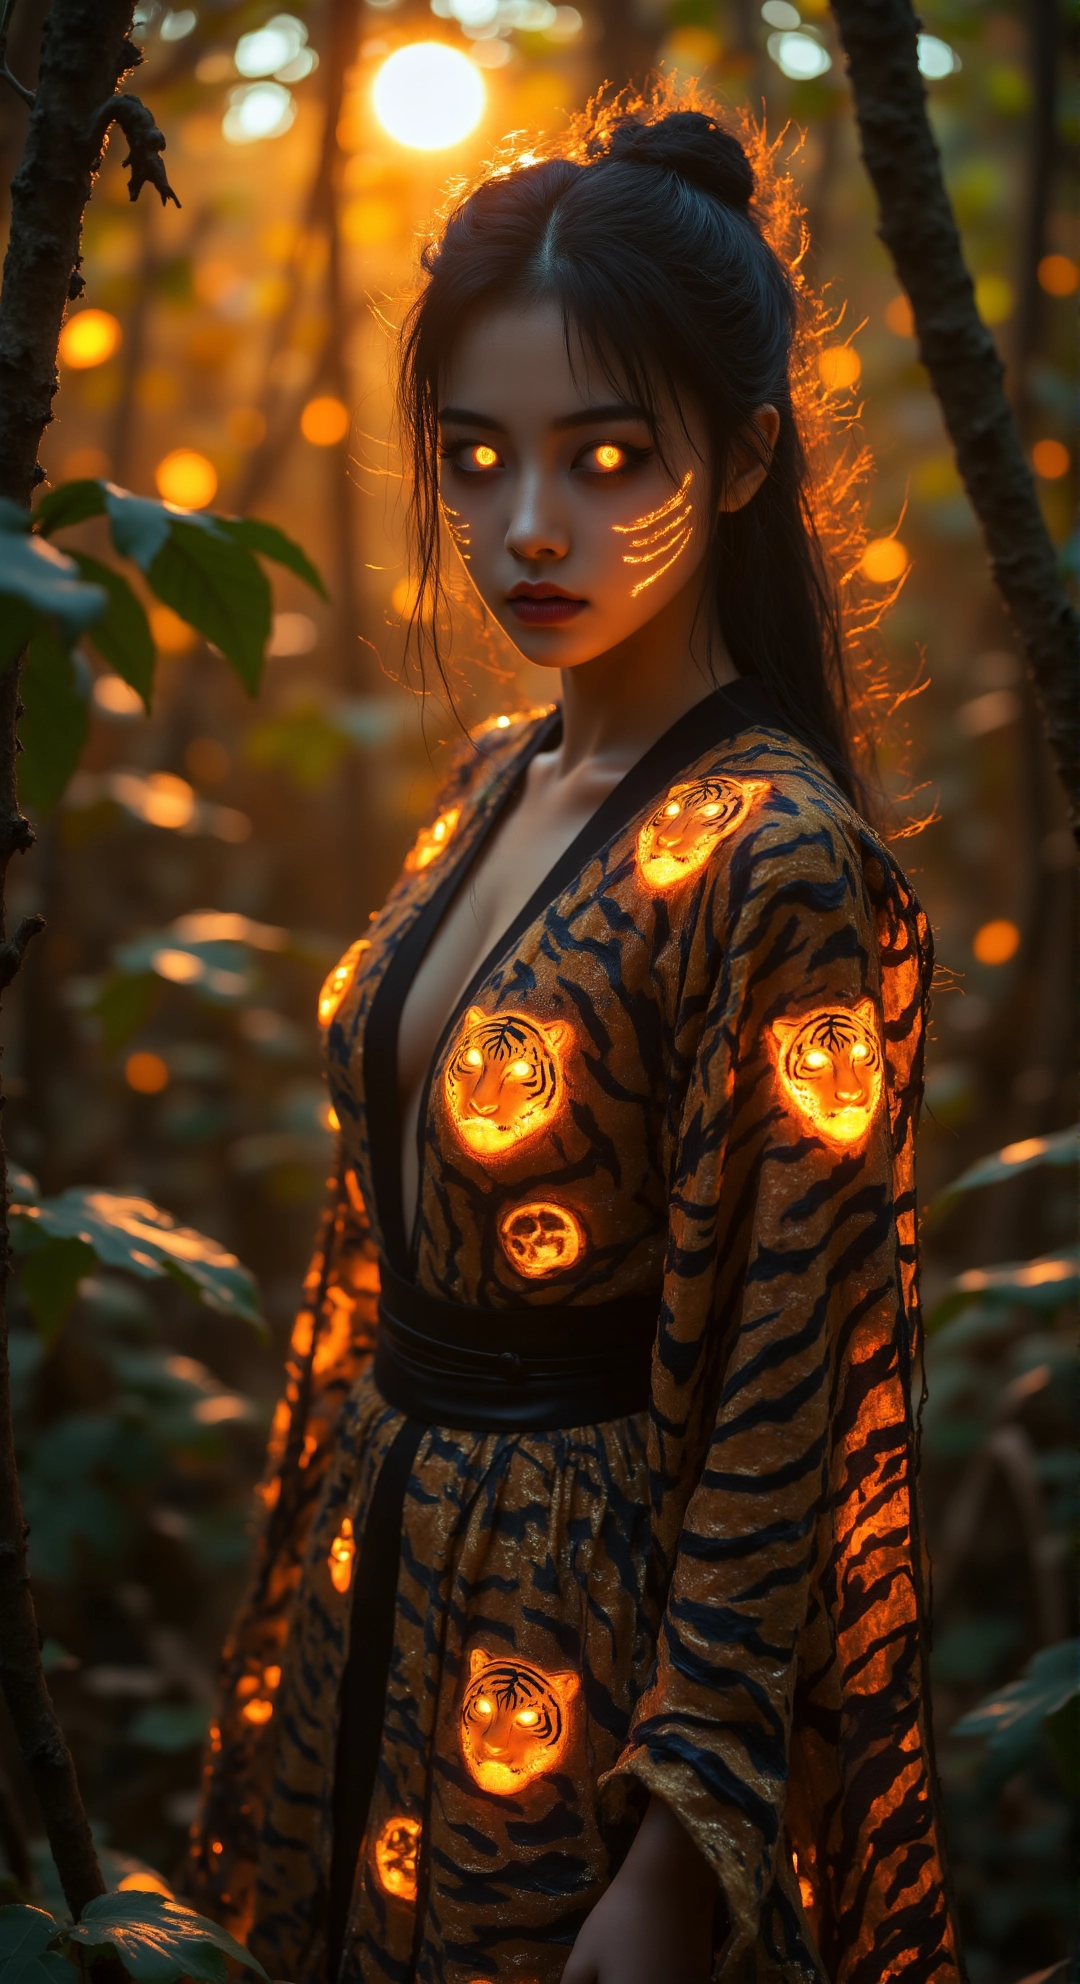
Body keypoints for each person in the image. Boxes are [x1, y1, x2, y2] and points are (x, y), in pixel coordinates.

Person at [186, 96, 963, 1984]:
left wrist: (677, 1853)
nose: (528, 528)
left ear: (750, 452)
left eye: (611, 458)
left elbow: (786, 1401)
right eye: (476, 457)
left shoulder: (777, 861)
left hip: (574, 1660)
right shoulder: (496, 778)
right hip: (380, 1579)